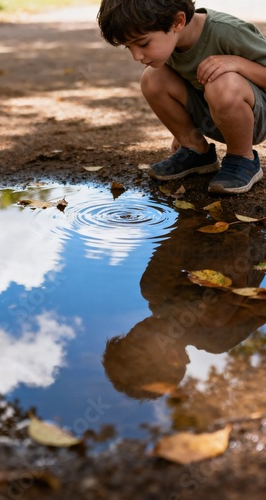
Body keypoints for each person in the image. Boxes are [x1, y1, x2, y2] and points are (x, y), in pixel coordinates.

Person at [97, 0, 266, 194]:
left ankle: (243, 159)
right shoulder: (169, 43)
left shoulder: (228, 32)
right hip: (214, 115)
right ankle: (196, 151)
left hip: (256, 118)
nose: (136, 56)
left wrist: (238, 63)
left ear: (178, 21)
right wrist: (183, 132)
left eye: (143, 43)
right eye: (129, 47)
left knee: (223, 83)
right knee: (153, 77)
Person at [102, 211, 266, 400]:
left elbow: (177, 243)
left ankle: (196, 214)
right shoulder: (216, 337)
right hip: (253, 242)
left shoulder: (157, 293)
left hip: (206, 233)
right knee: (215, 320)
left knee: (152, 289)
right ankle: (238, 219)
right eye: (140, 347)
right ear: (174, 359)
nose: (138, 331)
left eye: (130, 337)